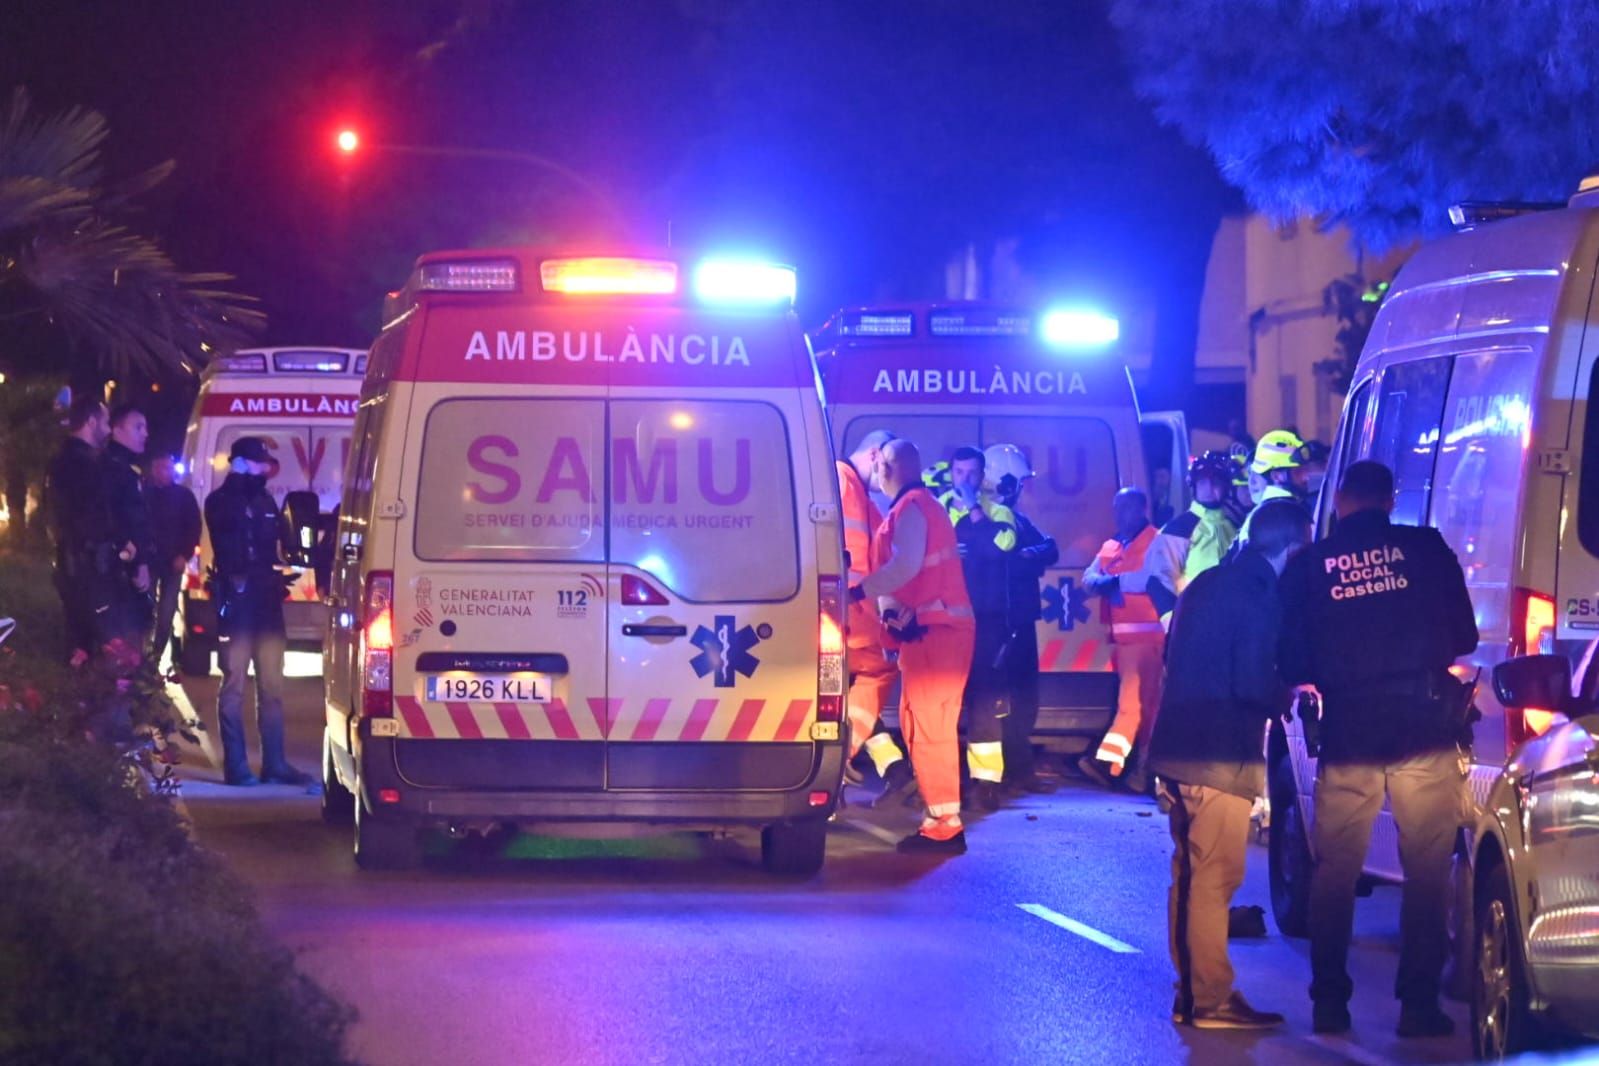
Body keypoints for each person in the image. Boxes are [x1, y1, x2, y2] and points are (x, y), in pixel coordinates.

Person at [1278, 461, 1479, 1038]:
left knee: (1335, 870)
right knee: (1426, 871)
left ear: (1339, 500)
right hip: (1423, 725)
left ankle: (1329, 1004)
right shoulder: (1426, 550)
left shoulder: (1310, 567)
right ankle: (1417, 1005)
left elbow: (1290, 662)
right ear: (1390, 500)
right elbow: (1463, 636)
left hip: (1351, 730)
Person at [1150, 500, 1310, 1030]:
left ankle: (1189, 991)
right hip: (1217, 757)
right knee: (1215, 880)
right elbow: (1249, 681)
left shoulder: (1205, 583)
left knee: (1189, 876)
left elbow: (1174, 657)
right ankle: (1211, 1001)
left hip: (1174, 747)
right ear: (1292, 547)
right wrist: (1284, 694)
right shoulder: (1261, 596)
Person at [852, 438, 976, 853]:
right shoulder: (913, 509)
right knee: (919, 724)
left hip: (938, 636)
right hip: (928, 635)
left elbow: (904, 565)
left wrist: (858, 592)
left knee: (930, 728)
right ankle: (939, 818)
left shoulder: (912, 508)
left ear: (889, 468)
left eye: (880, 466)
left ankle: (945, 824)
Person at [205, 436, 311, 788]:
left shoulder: (266, 500)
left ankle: (275, 764)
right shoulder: (221, 500)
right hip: (236, 601)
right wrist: (240, 481)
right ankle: (236, 767)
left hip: (265, 602)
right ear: (239, 463)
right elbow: (229, 530)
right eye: (258, 462)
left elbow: (275, 546)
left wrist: (285, 567)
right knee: (234, 684)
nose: (266, 468)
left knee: (272, 686)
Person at [835, 431, 914, 805]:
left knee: (852, 692)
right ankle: (838, 756)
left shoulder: (853, 489)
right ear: (872, 455)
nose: (885, 475)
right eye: (883, 465)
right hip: (850, 612)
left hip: (849, 610)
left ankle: (895, 769)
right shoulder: (842, 480)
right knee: (877, 674)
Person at [940, 445, 1019, 811]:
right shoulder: (938, 508)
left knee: (984, 701)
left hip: (986, 620)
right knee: (940, 701)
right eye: (959, 473)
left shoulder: (998, 511)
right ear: (951, 472)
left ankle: (986, 783)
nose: (964, 480)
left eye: (972, 474)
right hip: (943, 619)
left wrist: (973, 511)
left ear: (982, 476)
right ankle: (941, 777)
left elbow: (1001, 546)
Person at [984, 443, 1059, 794]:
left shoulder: (1017, 519)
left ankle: (1017, 770)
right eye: (1020, 483)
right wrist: (1026, 557)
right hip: (1004, 623)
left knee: (1024, 699)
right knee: (1009, 700)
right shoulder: (992, 519)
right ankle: (1010, 772)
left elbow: (1051, 546)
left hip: (1018, 620)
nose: (1023, 490)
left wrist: (1031, 553)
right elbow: (1005, 561)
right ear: (1007, 482)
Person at [1078, 487, 1163, 786]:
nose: (1119, 514)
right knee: (1144, 705)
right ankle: (1142, 770)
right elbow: (1089, 579)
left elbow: (1149, 580)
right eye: (1116, 507)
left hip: (1149, 639)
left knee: (1136, 704)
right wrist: (1107, 582)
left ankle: (1110, 764)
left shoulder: (1156, 541)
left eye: (1125, 507)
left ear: (1142, 509)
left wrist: (1112, 581)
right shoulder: (1112, 544)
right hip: (1125, 641)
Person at [46, 394, 119, 662]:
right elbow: (87, 515)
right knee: (88, 643)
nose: (109, 429)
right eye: (106, 422)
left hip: (77, 562)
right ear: (91, 422)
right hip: (85, 565)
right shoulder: (81, 464)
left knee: (82, 640)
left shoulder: (68, 460)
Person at [1147, 451, 1240, 625]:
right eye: (1203, 482)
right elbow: (1158, 583)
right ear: (1194, 486)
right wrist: (1174, 626)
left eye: (1216, 482)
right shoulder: (1178, 529)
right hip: (1194, 623)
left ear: (1226, 487)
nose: (1209, 488)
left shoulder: (1234, 527)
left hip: (1229, 622)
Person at [102, 404, 154, 641]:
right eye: (138, 427)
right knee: (127, 640)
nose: (145, 433)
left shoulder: (125, 468)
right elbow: (123, 519)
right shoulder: (113, 469)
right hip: (119, 571)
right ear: (116, 430)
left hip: (123, 567)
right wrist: (138, 562)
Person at [146, 454, 202, 667]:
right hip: (150, 562)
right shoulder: (146, 494)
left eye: (169, 468)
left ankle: (156, 655)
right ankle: (144, 655)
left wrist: (184, 555)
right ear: (154, 470)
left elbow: (193, 528)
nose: (165, 472)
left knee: (167, 610)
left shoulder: (184, 496)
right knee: (145, 610)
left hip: (174, 562)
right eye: (161, 468)